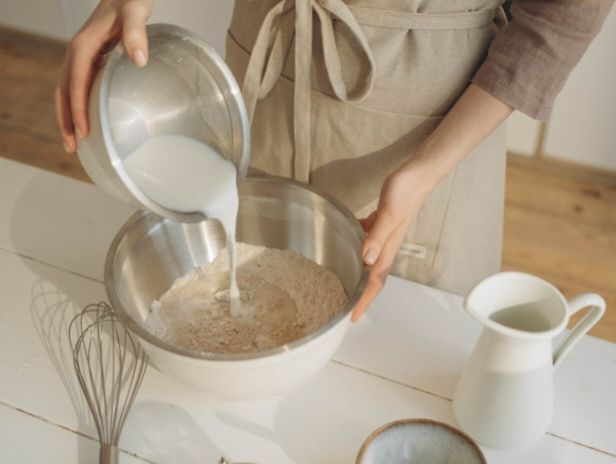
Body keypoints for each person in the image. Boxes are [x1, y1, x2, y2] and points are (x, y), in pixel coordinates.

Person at [55, 0, 614, 321]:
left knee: (402, 348)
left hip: (430, 120)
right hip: (266, 70)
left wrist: (421, 174)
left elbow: (563, 14)